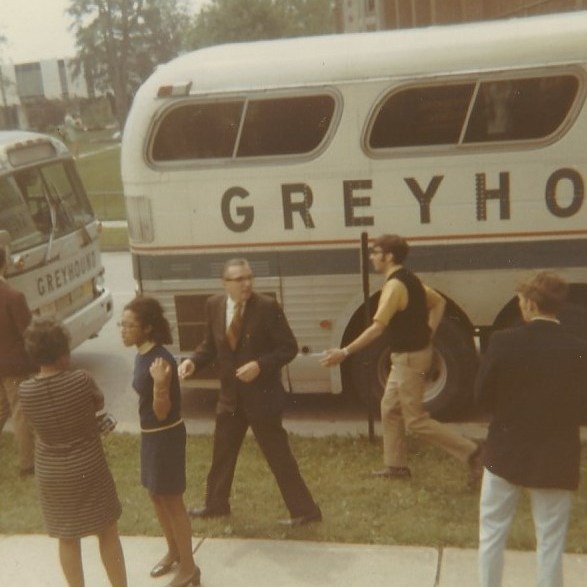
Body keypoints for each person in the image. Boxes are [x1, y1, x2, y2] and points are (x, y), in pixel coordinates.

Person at [321, 234, 482, 486]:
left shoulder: (395, 287)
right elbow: (438, 302)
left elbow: (377, 328)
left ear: (389, 256)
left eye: (376, 252)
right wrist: (429, 332)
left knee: (416, 420)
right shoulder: (410, 279)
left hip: (410, 360)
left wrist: (344, 352)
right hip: (407, 358)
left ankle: (473, 453)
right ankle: (396, 466)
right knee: (389, 408)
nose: (372, 257)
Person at [178, 258, 321, 526]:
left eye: (249, 278)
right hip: (230, 398)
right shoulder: (214, 305)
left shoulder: (267, 307)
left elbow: (288, 348)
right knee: (222, 454)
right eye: (239, 279)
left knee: (278, 456)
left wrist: (260, 365)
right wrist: (193, 362)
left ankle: (305, 511)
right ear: (225, 283)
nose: (246, 284)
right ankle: (216, 505)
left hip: (262, 399)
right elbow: (210, 345)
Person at [475, 271, 587, 587]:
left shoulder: (503, 342)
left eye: (521, 300)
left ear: (531, 304)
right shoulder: (578, 348)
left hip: (505, 449)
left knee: (492, 532)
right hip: (556, 454)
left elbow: (482, 397)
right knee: (551, 539)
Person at [18, 318, 127, 587]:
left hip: (51, 472)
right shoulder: (81, 379)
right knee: (107, 530)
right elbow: (98, 402)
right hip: (88, 464)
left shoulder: (25, 390)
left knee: (66, 537)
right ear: (63, 352)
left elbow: (32, 423)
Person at [121, 297, 200, 587]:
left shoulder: (160, 361)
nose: (123, 330)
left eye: (130, 325)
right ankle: (174, 551)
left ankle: (189, 568)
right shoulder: (142, 354)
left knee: (172, 501)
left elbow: (162, 411)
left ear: (148, 328)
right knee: (156, 495)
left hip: (166, 436)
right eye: (122, 325)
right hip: (151, 435)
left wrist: (159, 385)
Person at [0, 245, 35, 477]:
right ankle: (27, 463)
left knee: (2, 407)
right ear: (5, 263)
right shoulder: (13, 296)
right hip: (13, 366)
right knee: (20, 412)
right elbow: (28, 333)